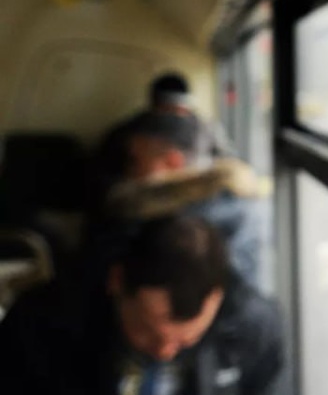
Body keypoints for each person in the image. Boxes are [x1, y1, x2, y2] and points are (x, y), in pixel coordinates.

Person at [0, 215, 292, 395]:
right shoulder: (41, 324)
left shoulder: (255, 329)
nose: (164, 353)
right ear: (117, 281)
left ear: (216, 300)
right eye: (147, 332)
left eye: (185, 340)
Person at [93, 112, 268, 292]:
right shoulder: (236, 205)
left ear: (173, 161)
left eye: (134, 161)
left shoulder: (146, 219)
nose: (129, 172)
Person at [92, 72, 236, 209]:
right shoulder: (127, 133)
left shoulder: (206, 129)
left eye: (180, 111)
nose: (174, 119)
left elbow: (229, 165)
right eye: (167, 111)